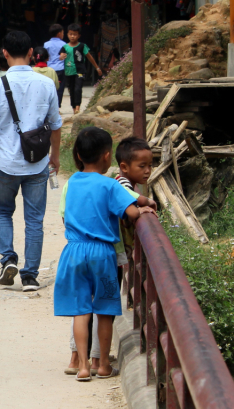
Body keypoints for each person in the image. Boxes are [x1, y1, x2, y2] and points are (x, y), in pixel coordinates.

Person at [53, 127, 153, 381]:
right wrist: (145, 209)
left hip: (74, 251)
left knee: (80, 310)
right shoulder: (109, 185)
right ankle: (104, 366)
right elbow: (131, 212)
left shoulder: (72, 181)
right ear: (108, 157)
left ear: (77, 154)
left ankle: (83, 366)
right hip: (102, 254)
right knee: (105, 311)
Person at [0, 31, 63, 292]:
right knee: (34, 219)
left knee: (3, 211)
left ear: (4, 54)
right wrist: (54, 156)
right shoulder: (46, 85)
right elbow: (56, 125)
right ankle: (30, 277)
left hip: (5, 164)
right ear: (33, 54)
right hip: (37, 163)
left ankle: (8, 259)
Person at [63, 23, 102, 114]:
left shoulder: (82, 46)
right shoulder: (65, 47)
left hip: (80, 71)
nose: (72, 36)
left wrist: (97, 67)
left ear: (79, 35)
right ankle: (74, 108)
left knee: (78, 88)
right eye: (71, 34)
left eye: (75, 34)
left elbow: (89, 57)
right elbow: (60, 58)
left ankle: (77, 107)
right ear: (67, 34)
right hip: (69, 72)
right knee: (71, 90)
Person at [44, 24, 67, 106]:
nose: (63, 34)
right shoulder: (64, 44)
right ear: (59, 34)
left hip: (49, 69)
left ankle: (49, 106)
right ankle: (57, 107)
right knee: (60, 89)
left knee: (49, 88)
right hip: (60, 69)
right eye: (63, 33)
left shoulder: (46, 44)